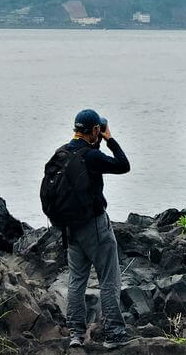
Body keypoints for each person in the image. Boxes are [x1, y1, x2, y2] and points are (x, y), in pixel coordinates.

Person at [63, 109, 134, 349]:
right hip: (94, 225)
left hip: (69, 227)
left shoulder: (61, 153)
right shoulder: (92, 157)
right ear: (94, 130)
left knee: (76, 280)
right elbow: (123, 165)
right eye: (98, 130)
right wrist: (110, 139)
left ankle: (75, 333)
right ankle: (115, 332)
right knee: (109, 277)